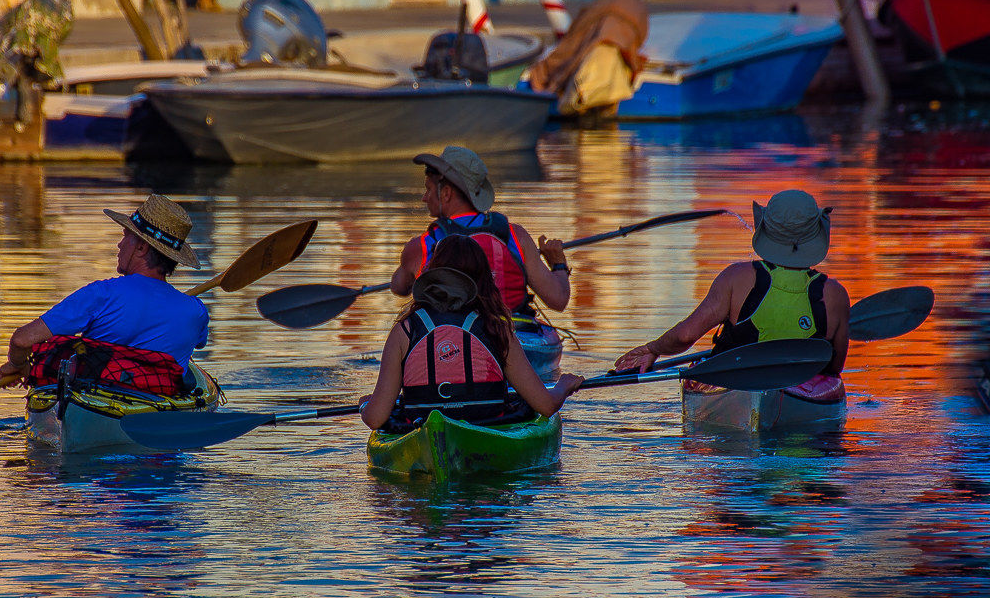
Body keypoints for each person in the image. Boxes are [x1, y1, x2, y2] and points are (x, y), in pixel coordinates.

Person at [613, 190, 850, 382]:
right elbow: (834, 366)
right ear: (817, 235)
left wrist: (654, 348)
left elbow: (685, 336)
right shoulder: (836, 294)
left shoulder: (736, 278)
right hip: (801, 396)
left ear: (766, 229)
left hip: (738, 385)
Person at [362, 234, 584, 431]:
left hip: (423, 428)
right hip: (488, 428)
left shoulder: (404, 329)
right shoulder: (496, 327)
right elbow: (546, 405)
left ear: (434, 273)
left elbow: (375, 418)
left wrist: (365, 405)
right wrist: (563, 386)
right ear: (484, 279)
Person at [0, 193, 209, 388]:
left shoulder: (101, 294)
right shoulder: (197, 312)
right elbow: (198, 343)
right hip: (160, 401)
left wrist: (18, 365)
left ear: (141, 248)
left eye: (126, 236)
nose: (119, 244)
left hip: (95, 401)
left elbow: (21, 340)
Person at [390, 145, 572, 317]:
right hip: (512, 332)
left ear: (446, 193)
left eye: (428, 189)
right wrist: (558, 264)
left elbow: (399, 287)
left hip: (455, 341)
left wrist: (409, 264)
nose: (424, 198)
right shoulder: (516, 236)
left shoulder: (421, 246)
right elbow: (558, 300)